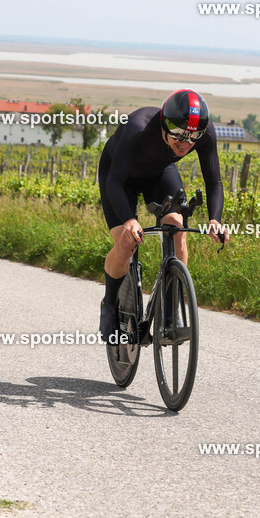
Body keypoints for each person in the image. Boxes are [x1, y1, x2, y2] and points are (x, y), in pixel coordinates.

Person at [97, 89, 230, 343]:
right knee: (126, 242)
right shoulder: (137, 126)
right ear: (164, 123)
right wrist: (129, 218)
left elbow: (214, 181)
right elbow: (115, 180)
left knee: (177, 229)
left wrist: (215, 219)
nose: (185, 145)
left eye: (192, 140)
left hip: (158, 172)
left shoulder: (203, 132)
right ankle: (110, 304)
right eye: (178, 137)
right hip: (118, 176)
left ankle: (171, 312)